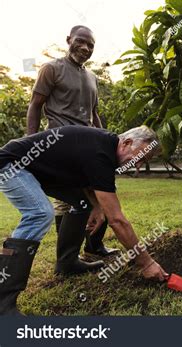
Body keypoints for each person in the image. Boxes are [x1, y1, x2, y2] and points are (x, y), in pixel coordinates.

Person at [0, 125, 168, 315]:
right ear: (127, 143)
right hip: (13, 164)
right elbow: (117, 220)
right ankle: (3, 301)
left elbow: (86, 179)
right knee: (39, 213)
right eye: (139, 158)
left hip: (41, 171)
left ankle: (67, 263)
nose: (137, 165)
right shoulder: (100, 153)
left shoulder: (106, 149)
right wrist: (146, 262)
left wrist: (96, 206)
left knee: (82, 203)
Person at [26, 25, 118, 274]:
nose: (85, 48)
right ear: (68, 40)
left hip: (88, 147)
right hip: (59, 146)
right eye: (81, 41)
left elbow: (94, 114)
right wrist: (30, 144)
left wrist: (107, 142)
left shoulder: (91, 77)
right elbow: (35, 106)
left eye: (91, 45)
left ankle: (94, 247)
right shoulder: (52, 69)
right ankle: (68, 258)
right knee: (70, 202)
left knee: (103, 194)